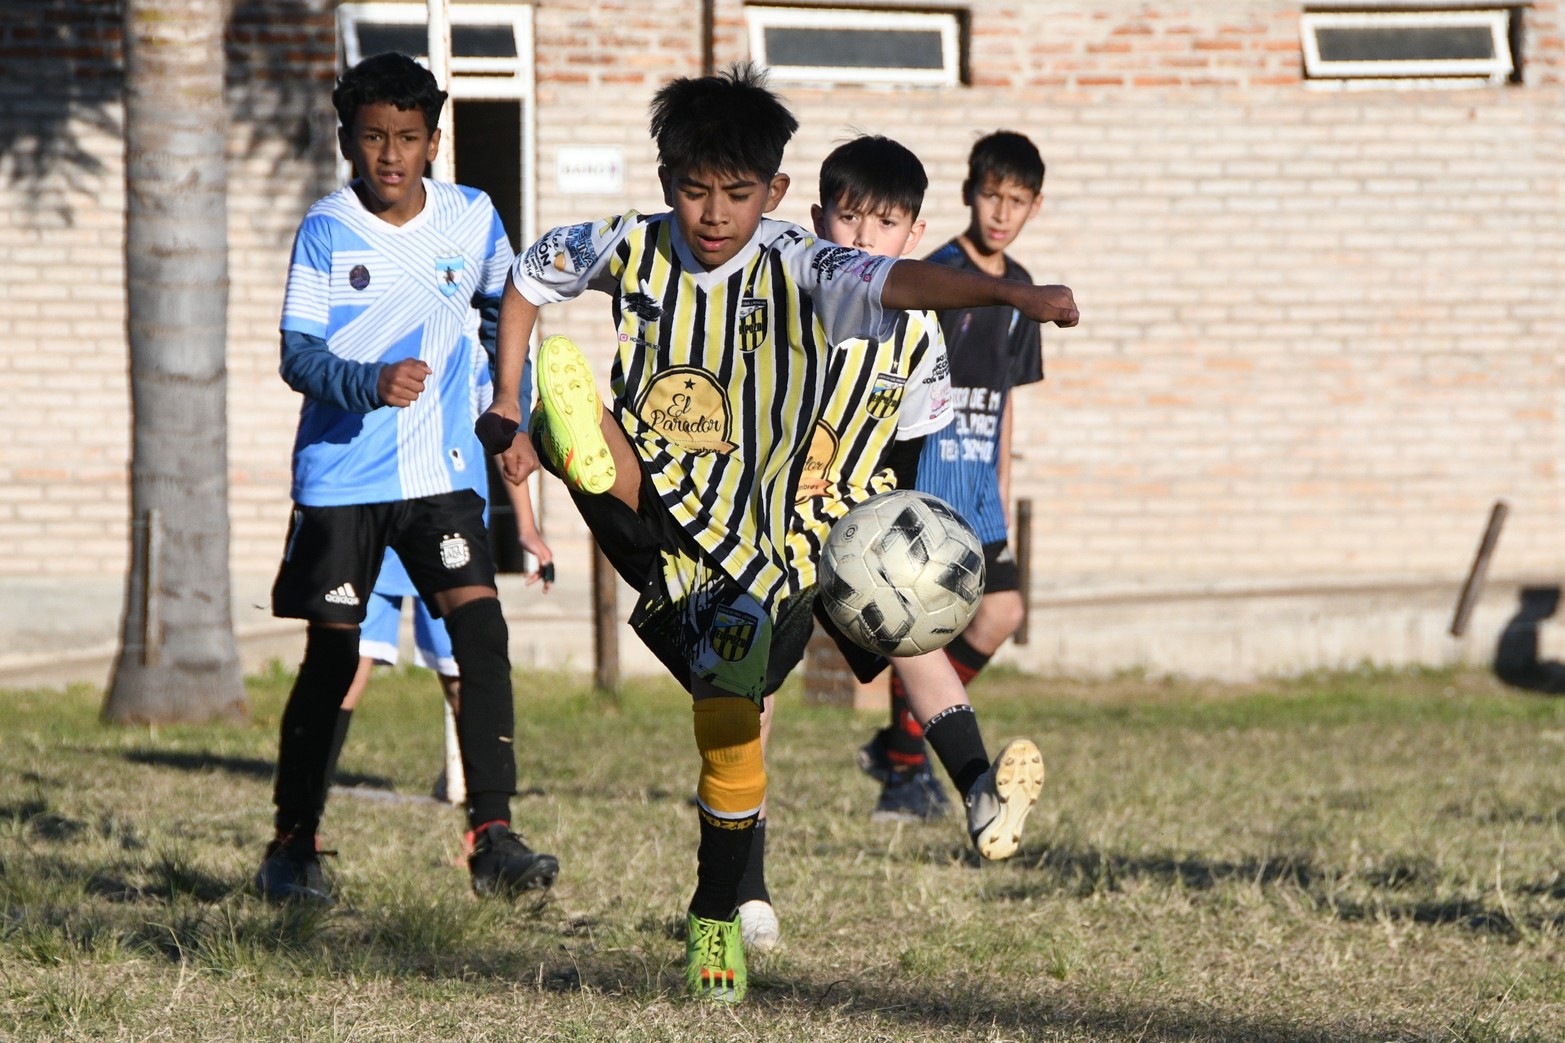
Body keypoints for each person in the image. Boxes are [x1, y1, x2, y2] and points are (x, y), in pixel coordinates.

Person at [477, 64, 1077, 1003]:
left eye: (737, 194)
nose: (713, 214)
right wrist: (509, 405)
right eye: (694, 190)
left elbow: (904, 318)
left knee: (734, 720)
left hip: (798, 546)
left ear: (774, 195)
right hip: (675, 502)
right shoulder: (635, 245)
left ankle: (726, 906)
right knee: (599, 439)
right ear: (669, 176)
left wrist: (1006, 299)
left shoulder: (814, 269)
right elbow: (525, 278)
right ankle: (569, 434)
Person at [258, 51, 557, 904]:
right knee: (334, 657)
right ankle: (293, 844)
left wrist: (510, 406)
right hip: (342, 485)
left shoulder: (471, 217)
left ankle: (492, 834)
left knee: (482, 635)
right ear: (347, 138)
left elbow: (509, 309)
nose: (391, 154)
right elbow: (298, 354)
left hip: (441, 475)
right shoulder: (326, 228)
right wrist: (369, 381)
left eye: (409, 138)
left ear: (435, 140)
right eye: (374, 137)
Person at [735, 134, 1041, 956]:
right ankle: (745, 886)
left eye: (887, 221)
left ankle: (978, 789)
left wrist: (920, 539)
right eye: (850, 217)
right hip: (759, 528)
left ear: (914, 231)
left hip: (847, 521)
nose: (865, 237)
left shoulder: (918, 337)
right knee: (748, 709)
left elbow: (913, 451)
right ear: (816, 220)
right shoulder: (787, 289)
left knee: (918, 629)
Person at [858, 130, 1052, 808]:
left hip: (979, 487)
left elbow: (1002, 402)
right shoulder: (935, 274)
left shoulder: (1023, 291)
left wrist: (1000, 485)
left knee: (1000, 612)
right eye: (990, 196)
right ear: (969, 193)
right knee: (917, 623)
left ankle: (899, 746)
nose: (1001, 213)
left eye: (1017, 201)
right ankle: (906, 772)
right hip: (925, 476)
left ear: (1033, 207)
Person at [325, 471, 554, 813]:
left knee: (464, 667)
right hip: (391, 509)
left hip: (446, 520)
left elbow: (509, 443)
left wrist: (527, 527)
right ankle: (305, 808)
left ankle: (481, 806)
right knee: (348, 662)